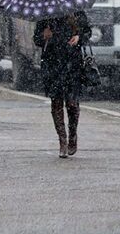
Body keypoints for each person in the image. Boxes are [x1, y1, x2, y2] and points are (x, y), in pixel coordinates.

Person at [33, 11, 92, 158]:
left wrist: (79, 37)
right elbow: (36, 39)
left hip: (73, 64)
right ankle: (62, 141)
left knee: (72, 103)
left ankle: (73, 135)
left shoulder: (77, 13)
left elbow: (87, 33)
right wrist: (44, 37)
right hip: (52, 65)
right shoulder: (45, 16)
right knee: (57, 102)